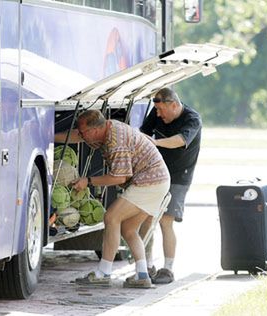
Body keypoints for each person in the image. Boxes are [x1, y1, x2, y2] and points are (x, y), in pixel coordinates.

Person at [56, 109, 170, 288]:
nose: (81, 135)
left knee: (111, 217)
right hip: (157, 180)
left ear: (94, 130)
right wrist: (50, 137)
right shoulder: (104, 129)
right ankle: (142, 275)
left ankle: (104, 272)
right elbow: (77, 137)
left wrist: (88, 181)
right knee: (128, 229)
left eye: (83, 132)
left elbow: (120, 177)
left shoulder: (116, 140)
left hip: (150, 181)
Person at [139, 87, 202, 284]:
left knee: (166, 221)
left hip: (178, 176)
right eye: (156, 110)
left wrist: (156, 143)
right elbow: (143, 134)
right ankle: (146, 265)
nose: (158, 114)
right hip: (155, 172)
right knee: (147, 217)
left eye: (161, 110)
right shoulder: (157, 112)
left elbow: (179, 141)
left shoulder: (192, 119)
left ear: (173, 105)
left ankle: (168, 269)